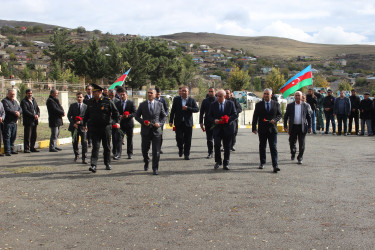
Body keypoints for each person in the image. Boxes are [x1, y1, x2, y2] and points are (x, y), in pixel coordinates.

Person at [83, 84, 120, 173]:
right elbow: (87, 114)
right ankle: (93, 165)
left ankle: (107, 163)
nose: (93, 93)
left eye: (94, 92)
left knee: (106, 146)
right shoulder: (90, 102)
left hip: (106, 127)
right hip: (95, 128)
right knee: (95, 146)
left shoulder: (107, 101)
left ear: (99, 92)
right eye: (93, 92)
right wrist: (84, 124)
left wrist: (116, 122)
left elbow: (116, 113)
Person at [135, 88, 167, 175]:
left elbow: (164, 116)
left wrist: (160, 124)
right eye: (148, 93)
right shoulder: (142, 105)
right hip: (145, 131)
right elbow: (137, 116)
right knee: (145, 150)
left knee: (156, 151)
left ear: (155, 94)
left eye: (151, 93)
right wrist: (143, 122)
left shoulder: (159, 104)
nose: (149, 94)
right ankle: (146, 161)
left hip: (156, 131)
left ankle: (155, 168)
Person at [252, 88, 282, 173]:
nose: (265, 95)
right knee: (262, 146)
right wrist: (254, 127)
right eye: (264, 94)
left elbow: (279, 115)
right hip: (262, 129)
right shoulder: (259, 105)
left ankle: (275, 165)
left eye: (267, 94)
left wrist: (275, 120)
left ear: (271, 95)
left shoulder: (276, 104)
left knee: (273, 147)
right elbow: (255, 116)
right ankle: (262, 162)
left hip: (272, 129)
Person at [207, 89, 237, 170]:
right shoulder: (213, 104)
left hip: (228, 128)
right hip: (217, 128)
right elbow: (209, 116)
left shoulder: (230, 104)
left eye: (220, 96)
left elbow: (235, 114)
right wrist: (214, 120)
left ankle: (226, 162)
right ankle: (218, 161)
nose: (218, 98)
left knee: (227, 146)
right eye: (217, 96)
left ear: (224, 96)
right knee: (217, 145)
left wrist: (228, 119)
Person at [169, 86, 199, 160]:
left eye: (185, 91)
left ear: (188, 92)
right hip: (178, 122)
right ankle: (180, 149)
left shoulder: (191, 100)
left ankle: (186, 154)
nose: (184, 92)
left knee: (188, 139)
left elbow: (197, 109)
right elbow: (173, 111)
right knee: (179, 138)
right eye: (182, 91)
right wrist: (170, 120)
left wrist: (188, 108)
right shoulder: (176, 99)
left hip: (188, 123)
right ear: (180, 92)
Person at [284, 91, 312, 164]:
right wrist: (285, 126)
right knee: (292, 142)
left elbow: (309, 117)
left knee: (302, 143)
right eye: (296, 95)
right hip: (293, 127)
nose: (297, 97)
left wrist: (310, 127)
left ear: (301, 97)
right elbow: (286, 116)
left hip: (302, 127)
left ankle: (300, 157)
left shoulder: (305, 105)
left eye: (298, 95)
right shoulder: (290, 106)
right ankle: (293, 152)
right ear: (294, 97)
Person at [113, 87, 136, 160]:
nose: (122, 96)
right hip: (120, 124)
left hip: (129, 124)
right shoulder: (117, 103)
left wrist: (128, 115)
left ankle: (130, 153)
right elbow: (114, 113)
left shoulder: (131, 103)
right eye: (121, 95)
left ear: (127, 95)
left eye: (123, 94)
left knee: (129, 139)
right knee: (119, 139)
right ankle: (118, 154)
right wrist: (118, 117)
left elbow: (135, 112)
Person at [67, 92, 88, 164]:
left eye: (80, 97)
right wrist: (73, 123)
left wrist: (82, 123)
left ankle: (84, 158)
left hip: (83, 127)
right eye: (78, 97)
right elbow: (69, 115)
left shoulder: (86, 106)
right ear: (76, 98)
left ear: (83, 98)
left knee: (84, 142)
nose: (79, 98)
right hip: (74, 127)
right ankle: (76, 155)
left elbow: (87, 117)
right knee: (75, 142)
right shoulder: (72, 106)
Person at [2, 89, 22, 156]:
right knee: (7, 136)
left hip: (14, 122)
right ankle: (7, 151)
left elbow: (20, 108)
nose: (13, 95)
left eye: (13, 94)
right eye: (11, 94)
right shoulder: (5, 101)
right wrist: (15, 113)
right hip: (8, 122)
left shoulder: (15, 101)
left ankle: (11, 149)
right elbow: (7, 110)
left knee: (13, 136)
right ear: (8, 94)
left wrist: (19, 112)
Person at [20, 89, 40, 153]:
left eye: (31, 93)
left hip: (35, 120)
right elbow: (25, 111)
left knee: (34, 135)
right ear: (26, 94)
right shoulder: (24, 101)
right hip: (28, 121)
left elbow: (37, 108)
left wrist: (37, 114)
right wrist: (33, 115)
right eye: (28, 93)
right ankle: (26, 148)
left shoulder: (33, 100)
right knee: (27, 135)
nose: (30, 94)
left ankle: (32, 147)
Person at [199, 87, 217, 158]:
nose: (210, 93)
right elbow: (201, 112)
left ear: (215, 92)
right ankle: (210, 152)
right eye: (209, 91)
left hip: (216, 123)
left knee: (216, 139)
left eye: (212, 91)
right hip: (207, 122)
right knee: (209, 139)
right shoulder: (205, 101)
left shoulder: (217, 100)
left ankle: (217, 152)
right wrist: (201, 122)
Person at [155, 87, 169, 154]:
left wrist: (165, 115)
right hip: (154, 120)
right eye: (157, 94)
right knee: (154, 135)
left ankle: (159, 148)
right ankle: (154, 148)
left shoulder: (163, 100)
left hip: (161, 121)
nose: (158, 96)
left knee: (160, 134)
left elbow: (166, 109)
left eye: (159, 94)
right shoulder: (153, 100)